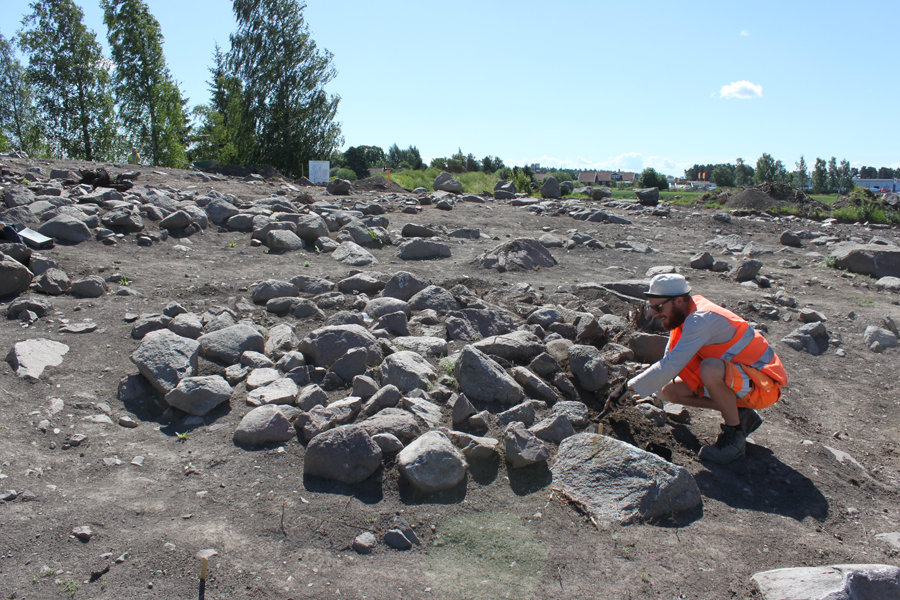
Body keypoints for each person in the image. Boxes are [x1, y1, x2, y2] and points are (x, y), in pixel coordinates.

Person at [620, 273, 787, 463]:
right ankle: (742, 414)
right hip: (741, 381)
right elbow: (669, 361)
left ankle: (735, 437)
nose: (656, 314)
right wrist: (654, 398)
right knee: (672, 392)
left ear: (679, 300)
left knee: (710, 368)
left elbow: (672, 364)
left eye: (659, 307)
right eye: (652, 307)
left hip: (764, 386)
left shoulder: (701, 319)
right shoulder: (684, 316)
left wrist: (628, 387)